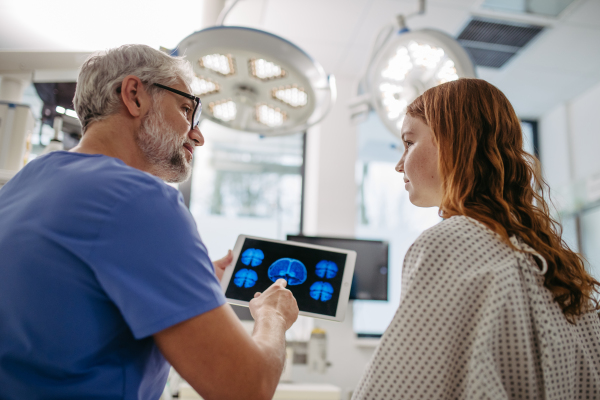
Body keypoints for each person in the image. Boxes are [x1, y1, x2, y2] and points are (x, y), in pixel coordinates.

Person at [0, 44, 298, 400]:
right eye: (187, 109)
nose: (198, 135)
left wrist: (189, 286)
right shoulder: (140, 197)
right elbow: (248, 387)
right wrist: (273, 317)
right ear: (134, 96)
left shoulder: (25, 181)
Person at [352, 78, 600, 399]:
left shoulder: (450, 244)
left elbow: (395, 391)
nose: (400, 165)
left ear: (454, 144)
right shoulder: (556, 262)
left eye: (409, 143)